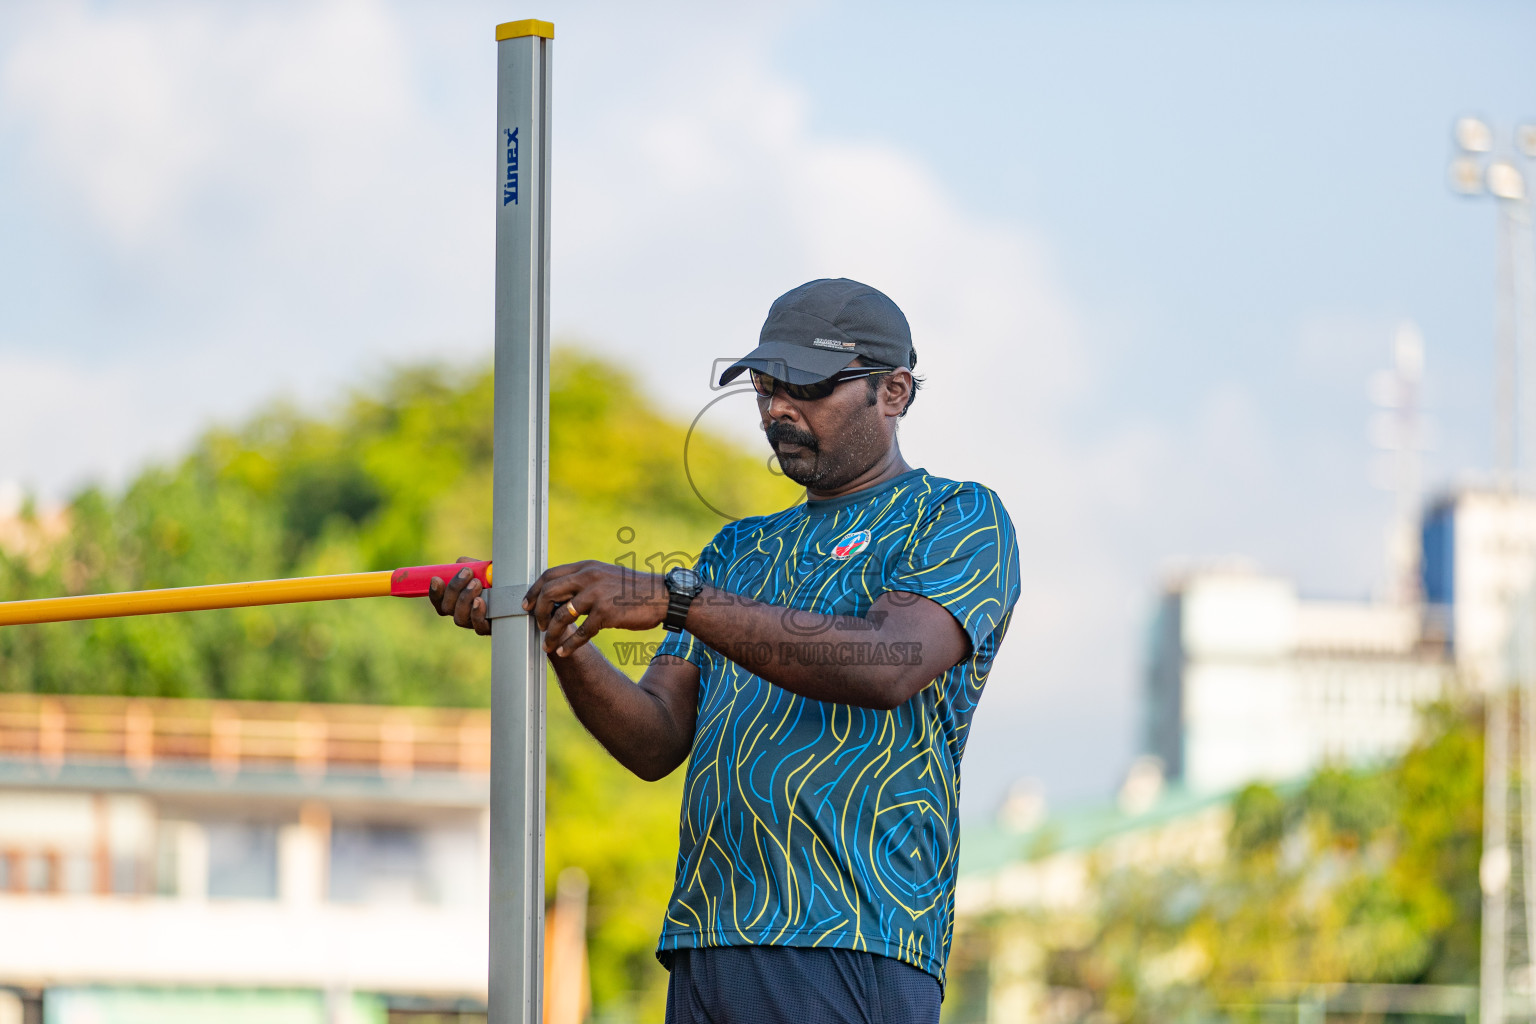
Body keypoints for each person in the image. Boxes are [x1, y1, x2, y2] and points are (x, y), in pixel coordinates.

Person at [430, 278, 1021, 1024]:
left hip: (851, 934)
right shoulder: (738, 549)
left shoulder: (957, 515)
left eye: (807, 386)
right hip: (708, 936)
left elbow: (889, 661)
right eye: (766, 387)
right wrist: (558, 630)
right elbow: (655, 739)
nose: (778, 408)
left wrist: (678, 601)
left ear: (894, 390)